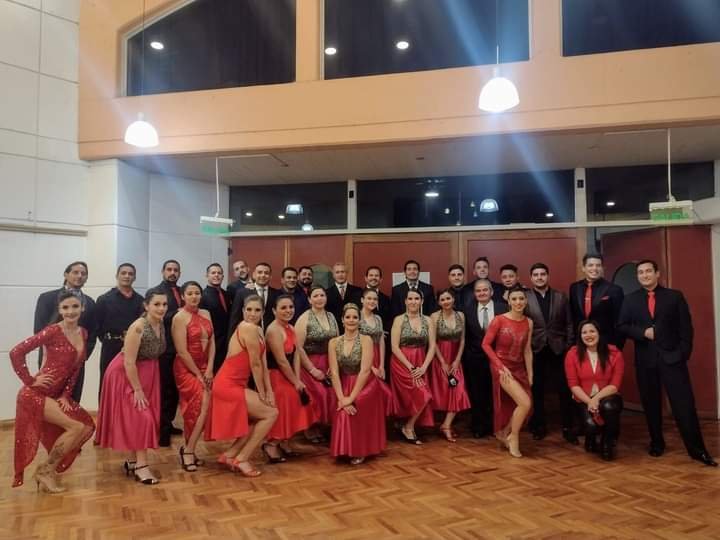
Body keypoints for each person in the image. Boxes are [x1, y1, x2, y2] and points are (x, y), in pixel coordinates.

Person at [618, 260, 716, 466]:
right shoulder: (630, 299)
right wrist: (642, 333)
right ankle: (657, 443)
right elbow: (622, 326)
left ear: (657, 274)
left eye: (648, 271)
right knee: (651, 405)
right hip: (645, 361)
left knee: (684, 405)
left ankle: (698, 450)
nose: (644, 275)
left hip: (673, 359)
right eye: (640, 272)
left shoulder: (674, 296)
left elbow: (686, 329)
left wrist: (682, 354)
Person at [9, 291, 95, 491]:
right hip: (34, 394)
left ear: (82, 308)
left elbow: (76, 368)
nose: (70, 311)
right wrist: (30, 380)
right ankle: (46, 471)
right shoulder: (52, 331)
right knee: (75, 427)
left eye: (75, 306)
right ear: (59, 310)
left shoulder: (83, 333)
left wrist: (65, 394)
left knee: (86, 426)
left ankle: (47, 470)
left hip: (56, 395)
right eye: (65, 307)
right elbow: (16, 352)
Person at [95, 289, 168, 485]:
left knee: (136, 418)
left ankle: (132, 460)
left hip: (148, 373)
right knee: (142, 418)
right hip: (125, 374)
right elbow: (128, 362)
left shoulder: (160, 324)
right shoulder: (138, 327)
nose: (161, 308)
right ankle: (142, 467)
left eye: (164, 304)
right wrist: (137, 389)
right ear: (146, 306)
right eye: (157, 304)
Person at [205, 295, 278, 477]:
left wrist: (269, 391)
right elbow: (255, 364)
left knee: (257, 418)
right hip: (227, 384)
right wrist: (262, 393)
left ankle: (230, 455)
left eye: (257, 310)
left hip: (235, 384)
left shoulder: (258, 329)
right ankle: (242, 459)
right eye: (249, 309)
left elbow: (263, 363)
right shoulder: (247, 328)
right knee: (271, 413)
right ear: (243, 311)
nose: (253, 314)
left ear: (263, 312)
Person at [329, 304, 388, 465]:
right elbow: (334, 372)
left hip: (366, 386)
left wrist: (351, 398)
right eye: (348, 317)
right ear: (342, 320)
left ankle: (360, 449)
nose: (351, 320)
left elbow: (365, 371)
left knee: (355, 407)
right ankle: (344, 449)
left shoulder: (366, 340)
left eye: (355, 317)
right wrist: (342, 398)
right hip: (344, 383)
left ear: (359, 321)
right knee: (343, 412)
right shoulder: (333, 342)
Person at [524, 263, 576, 443]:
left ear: (547, 276)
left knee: (564, 389)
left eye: (542, 274)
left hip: (559, 349)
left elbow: (569, 323)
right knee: (537, 389)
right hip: (535, 349)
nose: (539, 277)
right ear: (531, 278)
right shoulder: (524, 297)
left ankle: (568, 427)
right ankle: (539, 425)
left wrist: (568, 346)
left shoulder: (561, 297)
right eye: (536, 274)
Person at [33, 261, 97, 403]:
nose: (79, 276)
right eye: (75, 272)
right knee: (48, 401)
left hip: (76, 362)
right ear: (66, 274)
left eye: (83, 273)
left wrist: (82, 355)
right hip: (51, 361)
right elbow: (39, 330)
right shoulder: (47, 298)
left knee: (72, 401)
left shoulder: (90, 303)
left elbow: (93, 333)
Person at [263, 295, 317, 461]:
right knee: (288, 399)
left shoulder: (291, 328)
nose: (288, 311)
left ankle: (285, 441)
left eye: (290, 307)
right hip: (274, 375)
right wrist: (295, 382)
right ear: (274, 311)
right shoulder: (273, 330)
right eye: (283, 308)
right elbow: (281, 361)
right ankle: (271, 443)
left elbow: (296, 355)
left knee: (300, 398)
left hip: (288, 374)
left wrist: (298, 379)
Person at [482, 285, 533, 458]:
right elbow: (485, 345)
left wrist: (530, 373)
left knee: (524, 404)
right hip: (501, 367)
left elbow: (527, 350)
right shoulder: (499, 320)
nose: (518, 302)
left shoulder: (529, 322)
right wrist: (500, 366)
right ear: (509, 301)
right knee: (525, 403)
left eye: (521, 299)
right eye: (514, 299)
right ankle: (513, 437)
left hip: (519, 368)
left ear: (526, 301)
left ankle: (505, 432)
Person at [565, 320, 624, 460]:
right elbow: (573, 385)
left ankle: (607, 442)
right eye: (584, 332)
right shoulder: (572, 354)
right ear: (580, 336)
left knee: (609, 407)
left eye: (592, 331)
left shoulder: (615, 353)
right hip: (583, 398)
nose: (588, 335)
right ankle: (590, 438)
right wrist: (589, 401)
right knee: (591, 426)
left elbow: (615, 385)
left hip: (607, 396)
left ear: (599, 333)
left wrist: (596, 399)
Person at [172, 281, 215, 472]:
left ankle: (189, 448)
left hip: (205, 367)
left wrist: (210, 368)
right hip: (186, 368)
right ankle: (188, 451)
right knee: (199, 405)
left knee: (202, 408)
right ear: (183, 296)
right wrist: (198, 374)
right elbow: (182, 351)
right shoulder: (179, 317)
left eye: (197, 293)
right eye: (189, 293)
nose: (194, 296)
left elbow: (212, 343)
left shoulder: (206, 313)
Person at [462, 278, 508, 438]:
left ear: (492, 292)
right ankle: (479, 426)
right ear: (474, 294)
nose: (482, 293)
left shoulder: (503, 308)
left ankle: (497, 426)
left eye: (485, 290)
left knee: (497, 393)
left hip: (499, 358)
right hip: (475, 359)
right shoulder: (467, 310)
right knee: (477, 393)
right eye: (478, 291)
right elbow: (465, 337)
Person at [390, 289, 436, 444]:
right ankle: (407, 426)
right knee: (420, 394)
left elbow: (432, 346)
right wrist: (411, 367)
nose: (413, 301)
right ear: (405, 301)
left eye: (417, 298)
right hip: (402, 363)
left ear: (422, 301)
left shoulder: (428, 320)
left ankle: (408, 426)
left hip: (421, 361)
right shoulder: (399, 320)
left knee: (423, 395)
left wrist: (424, 367)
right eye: (410, 299)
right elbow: (394, 347)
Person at [295, 286, 339, 442]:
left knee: (332, 393)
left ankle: (322, 426)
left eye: (322, 295)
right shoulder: (304, 318)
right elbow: (298, 348)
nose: (319, 298)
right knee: (318, 394)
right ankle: (310, 428)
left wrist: (333, 365)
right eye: (315, 296)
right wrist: (312, 370)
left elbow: (337, 341)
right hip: (309, 363)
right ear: (309, 299)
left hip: (329, 362)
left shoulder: (331, 316)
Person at [95, 263, 144, 397]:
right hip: (111, 347)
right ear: (117, 276)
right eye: (123, 273)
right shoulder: (104, 299)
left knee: (129, 383)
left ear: (134, 277)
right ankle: (105, 411)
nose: (127, 276)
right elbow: (98, 326)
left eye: (130, 274)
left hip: (133, 348)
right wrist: (110, 339)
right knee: (107, 382)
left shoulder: (141, 301)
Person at [429, 289, 471, 442]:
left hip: (455, 359)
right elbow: (433, 342)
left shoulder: (461, 315)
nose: (446, 301)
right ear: (439, 302)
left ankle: (446, 425)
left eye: (448, 298)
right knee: (445, 392)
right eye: (442, 299)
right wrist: (442, 362)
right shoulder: (434, 317)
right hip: (440, 358)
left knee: (458, 391)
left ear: (453, 299)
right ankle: (445, 425)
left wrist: (457, 360)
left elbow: (463, 340)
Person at [154, 259, 184, 446]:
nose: (172, 273)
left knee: (174, 390)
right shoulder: (156, 292)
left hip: (181, 349)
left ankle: (169, 422)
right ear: (163, 271)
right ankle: (162, 431)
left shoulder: (182, 291)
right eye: (169, 269)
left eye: (176, 270)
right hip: (164, 349)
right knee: (164, 390)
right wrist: (178, 313)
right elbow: (156, 316)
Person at [569, 254, 624, 349]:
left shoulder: (614, 290)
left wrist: (617, 346)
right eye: (590, 265)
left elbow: (620, 321)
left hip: (606, 343)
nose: (594, 268)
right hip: (580, 343)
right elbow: (572, 317)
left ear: (602, 268)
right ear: (583, 268)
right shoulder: (574, 288)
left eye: (598, 265)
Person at [358, 288, 394, 414]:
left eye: (375, 299)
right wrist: (371, 367)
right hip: (362, 358)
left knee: (379, 393)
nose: (372, 301)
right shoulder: (356, 317)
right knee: (366, 391)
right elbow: (356, 343)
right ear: (362, 300)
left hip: (378, 356)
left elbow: (381, 341)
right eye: (369, 298)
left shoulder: (378, 318)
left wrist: (381, 366)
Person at [200, 263, 232, 374]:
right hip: (212, 344)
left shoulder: (227, 294)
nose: (216, 275)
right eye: (213, 273)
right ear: (207, 276)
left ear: (223, 276)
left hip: (227, 344)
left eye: (219, 273)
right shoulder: (202, 296)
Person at [228, 262, 279, 332]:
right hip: (248, 334)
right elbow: (235, 319)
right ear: (254, 275)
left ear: (270, 276)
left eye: (266, 273)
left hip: (271, 334)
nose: (263, 275)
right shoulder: (242, 293)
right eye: (260, 272)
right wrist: (231, 337)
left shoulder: (276, 294)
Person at [325, 262, 363, 330]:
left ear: (347, 273)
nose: (340, 275)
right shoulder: (326, 293)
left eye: (343, 272)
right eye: (337, 272)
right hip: (334, 329)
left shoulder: (358, 291)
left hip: (354, 328)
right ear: (333, 275)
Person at [363, 265, 392, 331]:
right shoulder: (357, 296)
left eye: (376, 276)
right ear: (366, 278)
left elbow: (389, 319)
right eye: (371, 275)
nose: (374, 277)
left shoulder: (386, 299)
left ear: (381, 279)